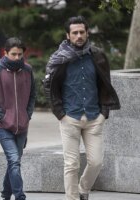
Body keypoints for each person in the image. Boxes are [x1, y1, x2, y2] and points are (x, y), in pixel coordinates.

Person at [43, 16, 120, 200]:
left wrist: (104, 113)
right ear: (67, 35)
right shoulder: (59, 59)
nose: (79, 36)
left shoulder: (98, 55)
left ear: (87, 33)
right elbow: (48, 86)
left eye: (82, 32)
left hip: (94, 118)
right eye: (75, 33)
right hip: (70, 117)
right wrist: (60, 113)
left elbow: (105, 85)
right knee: (71, 164)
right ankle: (72, 198)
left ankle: (83, 190)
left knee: (96, 162)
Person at [0, 37, 36, 200]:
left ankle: (6, 194)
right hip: (3, 126)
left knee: (14, 161)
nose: (17, 57)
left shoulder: (28, 70)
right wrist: (2, 116)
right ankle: (20, 196)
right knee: (14, 160)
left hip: (22, 125)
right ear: (5, 53)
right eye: (13, 54)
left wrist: (28, 114)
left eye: (20, 54)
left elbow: (33, 95)